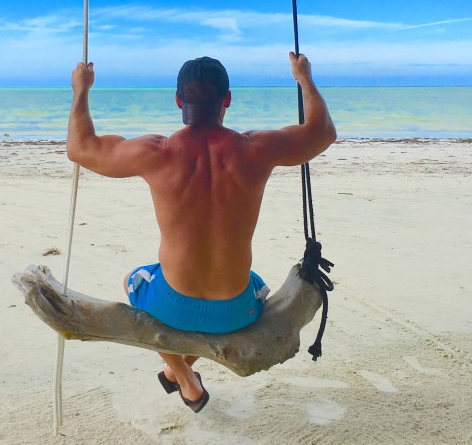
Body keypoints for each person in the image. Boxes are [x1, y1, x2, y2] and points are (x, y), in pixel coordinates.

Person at [66, 53, 336, 413]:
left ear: (178, 100)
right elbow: (323, 133)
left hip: (170, 305)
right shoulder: (256, 149)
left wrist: (81, 89)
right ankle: (176, 372)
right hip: (238, 310)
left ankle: (183, 374)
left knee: (133, 280)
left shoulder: (156, 152)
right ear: (227, 99)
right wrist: (304, 79)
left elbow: (80, 148)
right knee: (252, 282)